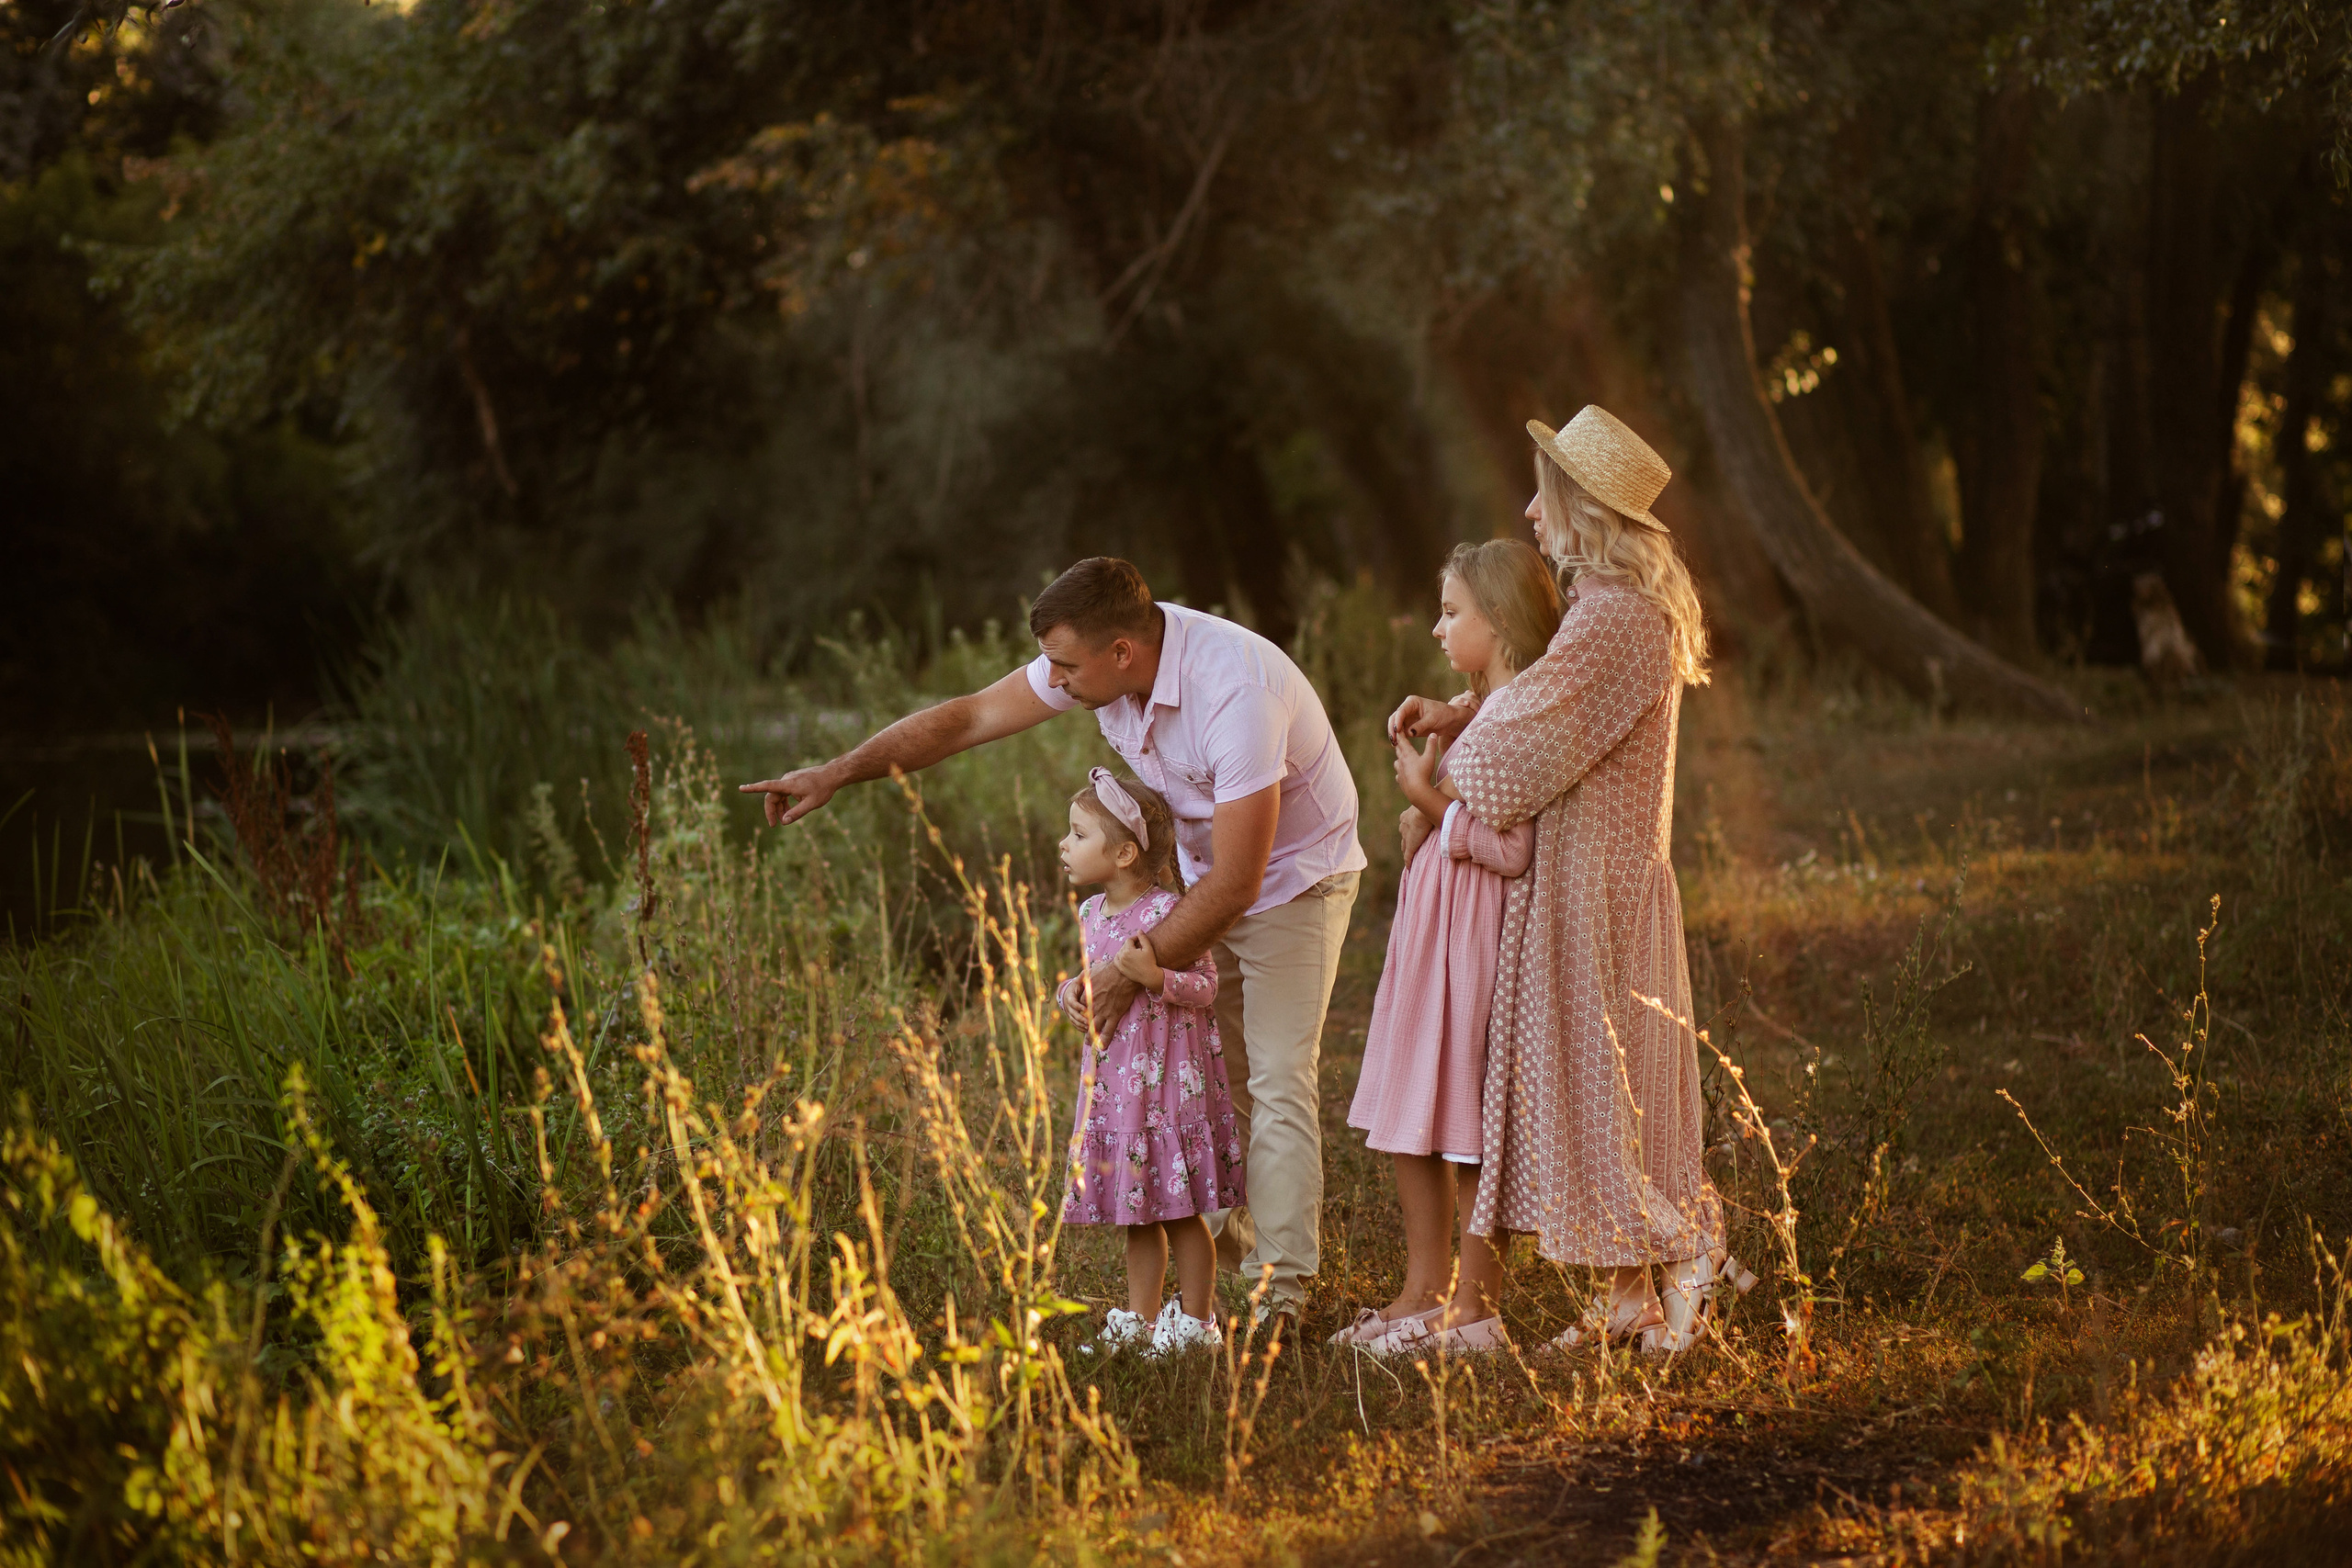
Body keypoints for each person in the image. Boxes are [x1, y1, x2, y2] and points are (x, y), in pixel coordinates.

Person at [741, 558, 1363, 1331]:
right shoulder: (1098, 657)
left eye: (1067, 666)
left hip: (1291, 879)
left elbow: (1240, 884)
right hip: (1203, 877)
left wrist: (1126, 972)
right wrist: (836, 772)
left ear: (1123, 654)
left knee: (1274, 1077)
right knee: (1215, 1082)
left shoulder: (1236, 690)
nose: (1055, 680)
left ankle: (1285, 1297)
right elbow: (968, 717)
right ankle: (1224, 1281)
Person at [1384, 406, 1747, 1358]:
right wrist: (1466, 711)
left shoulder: (1617, 617)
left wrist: (1441, 775)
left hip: (1599, 886)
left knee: (1611, 1082)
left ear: (1578, 506)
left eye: (1542, 498)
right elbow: (1528, 701)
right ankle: (1627, 1294)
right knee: (1598, 1084)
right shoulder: (1605, 612)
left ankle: (1686, 1262)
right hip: (1586, 879)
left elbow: (1518, 743)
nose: (1529, 517)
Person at [1331, 541, 1558, 1351]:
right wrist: (1428, 795)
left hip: (1473, 943)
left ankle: (1475, 1306)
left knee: (1463, 1121)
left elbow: (1513, 848)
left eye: (1452, 611)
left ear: (1498, 622)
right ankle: (1420, 1292)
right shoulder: (1487, 709)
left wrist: (1427, 800)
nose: (1436, 627)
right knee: (1410, 1108)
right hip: (1431, 934)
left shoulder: (1521, 715)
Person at [1053, 768, 1242, 1357]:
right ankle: (1139, 1318)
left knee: (1181, 1210)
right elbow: (1093, 975)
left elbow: (1207, 988)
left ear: (1125, 852)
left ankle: (1197, 1324)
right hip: (1117, 1090)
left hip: (1168, 1089)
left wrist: (1157, 977)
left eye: (1079, 835)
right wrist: (1070, 992)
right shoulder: (1091, 914)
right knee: (1136, 1215)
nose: (1064, 845)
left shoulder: (1171, 912)